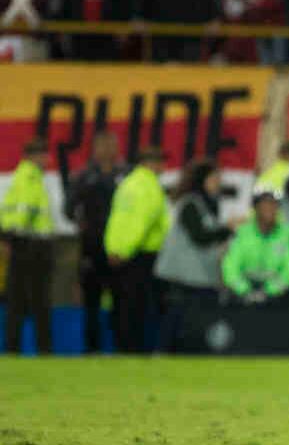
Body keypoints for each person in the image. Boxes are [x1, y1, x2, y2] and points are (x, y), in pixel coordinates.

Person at [153, 159, 233, 351]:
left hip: (199, 277)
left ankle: (183, 353)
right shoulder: (190, 204)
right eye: (214, 178)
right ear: (202, 180)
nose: (218, 183)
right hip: (180, 277)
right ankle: (163, 353)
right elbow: (200, 237)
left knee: (192, 321)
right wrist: (228, 229)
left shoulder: (209, 205)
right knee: (175, 319)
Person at [62, 131, 126, 353]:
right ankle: (92, 349)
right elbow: (68, 209)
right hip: (93, 246)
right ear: (94, 149)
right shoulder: (83, 177)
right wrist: (84, 225)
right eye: (103, 145)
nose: (107, 150)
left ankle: (122, 348)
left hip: (120, 247)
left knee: (122, 300)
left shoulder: (127, 176)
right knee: (92, 300)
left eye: (111, 145)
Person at [103, 147, 170, 353]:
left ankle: (122, 348)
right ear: (150, 163)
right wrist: (126, 251)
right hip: (140, 255)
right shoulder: (150, 187)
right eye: (160, 162)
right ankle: (134, 350)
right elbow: (141, 223)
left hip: (117, 253)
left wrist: (113, 249)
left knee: (121, 304)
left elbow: (116, 220)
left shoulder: (127, 184)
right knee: (137, 307)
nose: (163, 166)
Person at [2, 139, 54, 354]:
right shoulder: (31, 178)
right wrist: (13, 237)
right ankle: (43, 350)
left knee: (17, 300)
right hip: (31, 245)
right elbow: (24, 210)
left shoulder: (22, 177)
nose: (48, 159)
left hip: (22, 243)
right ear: (34, 157)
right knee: (38, 301)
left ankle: (13, 349)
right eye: (44, 155)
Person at [222, 189, 289, 303]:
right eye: (265, 205)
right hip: (244, 294)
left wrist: (270, 290)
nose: (270, 209)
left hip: (275, 296)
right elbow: (230, 266)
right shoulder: (243, 232)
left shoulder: (286, 233)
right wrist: (244, 290)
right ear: (256, 208)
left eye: (273, 205)